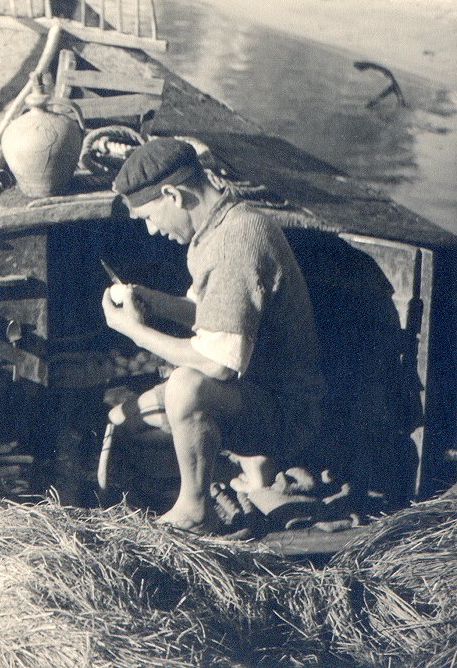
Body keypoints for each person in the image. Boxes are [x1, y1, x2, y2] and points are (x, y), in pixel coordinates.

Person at [100, 137, 325, 531]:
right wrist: (152, 301)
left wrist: (135, 332)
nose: (152, 230)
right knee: (123, 420)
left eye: (149, 217)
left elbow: (217, 363)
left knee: (187, 387)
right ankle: (227, 464)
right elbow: (214, 313)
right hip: (252, 392)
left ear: (173, 195)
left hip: (287, 413)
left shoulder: (237, 240)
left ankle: (195, 508)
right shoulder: (216, 229)